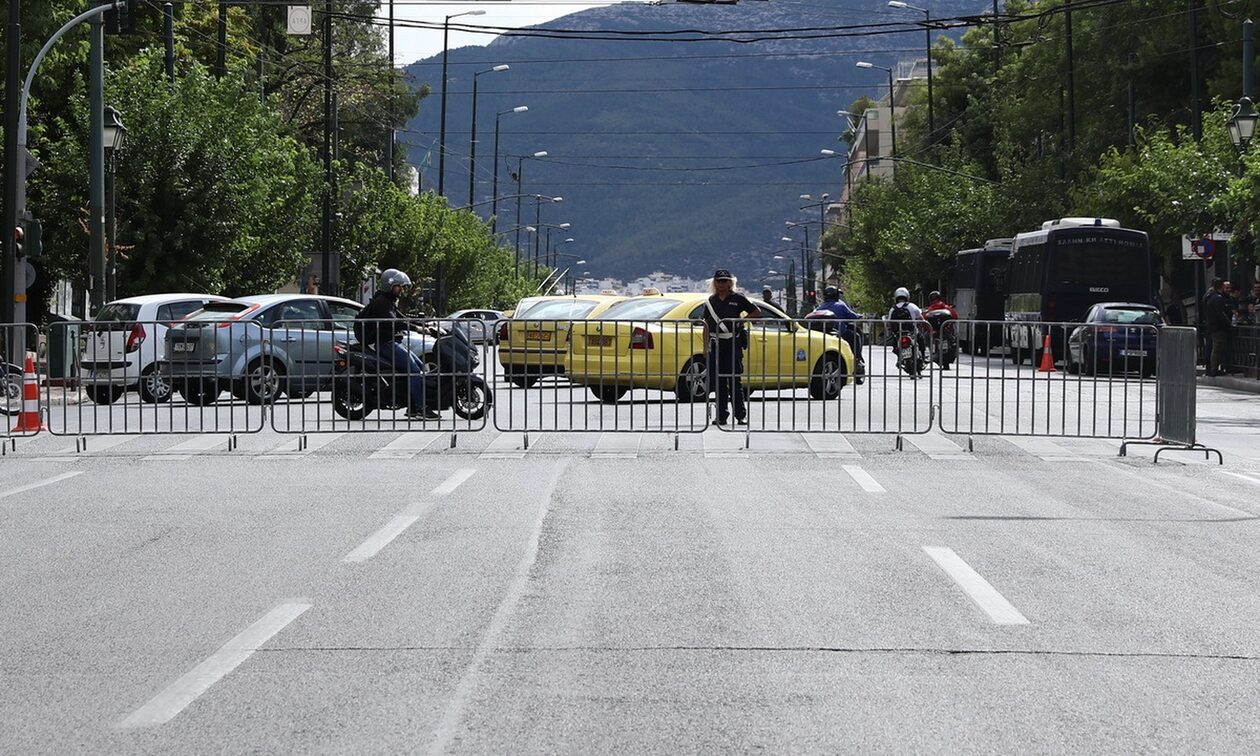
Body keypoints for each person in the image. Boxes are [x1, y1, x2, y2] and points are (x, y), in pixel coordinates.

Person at [355, 269, 440, 419]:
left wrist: (426, 324)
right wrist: (418, 329)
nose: (401, 289)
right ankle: (420, 408)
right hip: (384, 344)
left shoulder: (387, 301)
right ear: (390, 285)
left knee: (420, 367)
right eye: (399, 286)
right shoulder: (381, 303)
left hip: (391, 342)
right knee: (413, 371)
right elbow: (395, 322)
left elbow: (403, 318)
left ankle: (412, 407)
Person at [702, 269, 760, 426]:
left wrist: (741, 322)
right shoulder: (711, 301)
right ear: (714, 283)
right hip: (716, 343)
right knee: (719, 381)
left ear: (730, 282)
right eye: (719, 281)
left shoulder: (738, 298)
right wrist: (705, 347)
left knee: (735, 380)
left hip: (732, 342)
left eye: (725, 281)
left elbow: (755, 311)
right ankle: (721, 416)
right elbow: (705, 324)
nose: (722, 284)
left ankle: (741, 415)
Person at [811, 285, 865, 381]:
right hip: (841, 333)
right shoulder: (840, 305)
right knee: (856, 336)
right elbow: (853, 316)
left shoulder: (820, 307)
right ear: (836, 295)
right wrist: (859, 316)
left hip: (826, 335)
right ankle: (857, 359)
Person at [1203, 278, 1232, 376]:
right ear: (1221, 287)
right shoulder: (1217, 298)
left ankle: (1211, 369)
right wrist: (1229, 323)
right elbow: (1221, 313)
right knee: (1217, 348)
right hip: (1218, 327)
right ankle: (1214, 369)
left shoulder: (1209, 296)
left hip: (1212, 326)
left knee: (1213, 348)